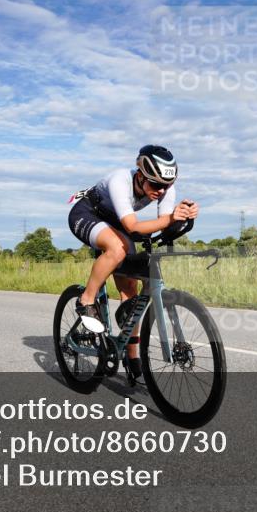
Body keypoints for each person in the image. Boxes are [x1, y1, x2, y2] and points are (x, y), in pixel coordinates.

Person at [68, 145, 199, 376]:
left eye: (166, 185)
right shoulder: (121, 180)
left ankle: (131, 355)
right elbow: (132, 226)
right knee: (117, 250)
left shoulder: (166, 189)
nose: (161, 191)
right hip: (87, 214)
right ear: (140, 175)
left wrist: (182, 217)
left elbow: (164, 223)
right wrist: (170, 218)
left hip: (116, 223)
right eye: (155, 185)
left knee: (131, 289)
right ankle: (85, 300)